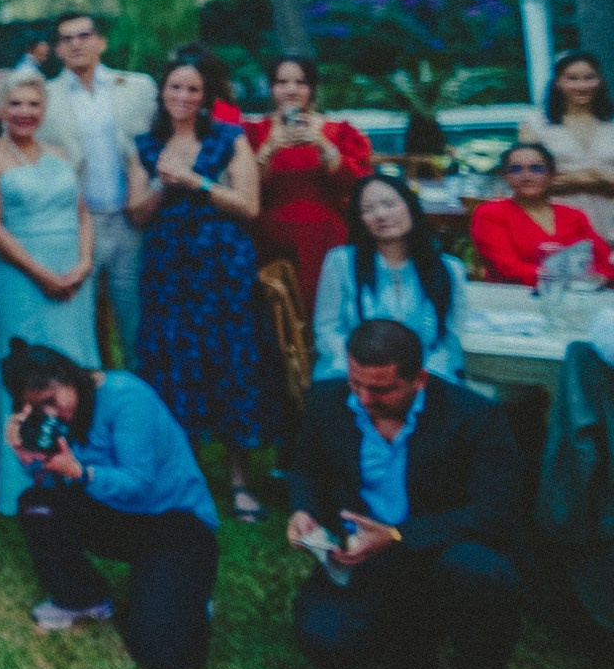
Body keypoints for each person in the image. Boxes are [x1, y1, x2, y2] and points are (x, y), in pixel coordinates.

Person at [288, 319, 523, 669]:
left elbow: (494, 511)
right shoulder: (326, 401)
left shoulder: (475, 416)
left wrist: (398, 536)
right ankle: (408, 642)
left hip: (441, 551)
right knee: (325, 637)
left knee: (483, 574)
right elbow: (306, 469)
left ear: (420, 379)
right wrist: (303, 510)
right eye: (355, 383)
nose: (363, 398)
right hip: (365, 557)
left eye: (380, 389)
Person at [3, 340, 219, 669]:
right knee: (37, 505)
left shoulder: (125, 397)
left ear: (68, 376)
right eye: (37, 408)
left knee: (165, 658)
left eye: (51, 400)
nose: (51, 414)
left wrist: (82, 473)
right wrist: (31, 458)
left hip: (176, 522)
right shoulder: (57, 415)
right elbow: (51, 486)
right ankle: (83, 598)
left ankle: (186, 592)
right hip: (116, 515)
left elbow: (139, 483)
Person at [128, 57, 270, 519]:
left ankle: (239, 477)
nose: (183, 97)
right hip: (170, 270)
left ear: (206, 96)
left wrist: (197, 182)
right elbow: (136, 214)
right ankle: (182, 472)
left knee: (230, 361)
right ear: (162, 93)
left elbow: (248, 205)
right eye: (175, 88)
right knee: (173, 364)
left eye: (193, 90)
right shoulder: (145, 145)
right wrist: (162, 187)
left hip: (221, 266)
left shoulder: (229, 139)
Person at [0, 73, 98, 516]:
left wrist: (83, 264)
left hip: (74, 276)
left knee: (76, 365)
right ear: (2, 109)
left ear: (43, 110)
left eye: (33, 104)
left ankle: (79, 468)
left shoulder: (61, 155)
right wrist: (41, 273)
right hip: (22, 277)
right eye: (16, 104)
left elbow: (83, 215)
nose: (25, 113)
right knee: (26, 373)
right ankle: (21, 484)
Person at [39, 13, 157, 368]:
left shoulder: (137, 87)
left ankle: (144, 406)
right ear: (58, 49)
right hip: (76, 225)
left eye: (84, 35)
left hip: (130, 222)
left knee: (136, 325)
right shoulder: (44, 97)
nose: (76, 43)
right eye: (66, 38)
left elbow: (157, 146)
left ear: (101, 42)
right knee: (81, 327)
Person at [245, 54, 372, 310]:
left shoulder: (339, 131)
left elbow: (358, 186)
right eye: (282, 82)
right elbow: (243, 189)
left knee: (326, 306)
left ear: (312, 88)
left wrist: (323, 144)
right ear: (272, 88)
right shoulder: (252, 133)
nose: (291, 89)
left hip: (325, 236)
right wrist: (268, 150)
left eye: (300, 82)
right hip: (268, 238)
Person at [316, 175, 469, 384]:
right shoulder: (340, 262)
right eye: (367, 209)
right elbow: (327, 330)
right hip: (353, 379)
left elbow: (453, 337)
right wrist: (364, 375)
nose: (380, 215)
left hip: (425, 380)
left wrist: (418, 380)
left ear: (410, 206)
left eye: (389, 204)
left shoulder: (450, 269)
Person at [470, 140, 614, 287]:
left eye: (536, 168)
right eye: (516, 169)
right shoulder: (489, 213)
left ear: (552, 175)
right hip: (514, 298)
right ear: (505, 176)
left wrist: (597, 278)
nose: (526, 176)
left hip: (574, 297)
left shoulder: (574, 215)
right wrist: (572, 279)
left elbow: (606, 260)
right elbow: (507, 268)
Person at [521, 50, 614, 241]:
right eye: (572, 79)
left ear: (600, 81)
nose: (582, 86)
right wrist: (588, 179)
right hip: (558, 222)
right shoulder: (537, 124)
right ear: (557, 82)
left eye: (589, 78)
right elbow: (524, 179)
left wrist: (599, 177)